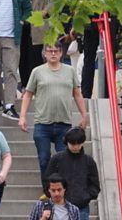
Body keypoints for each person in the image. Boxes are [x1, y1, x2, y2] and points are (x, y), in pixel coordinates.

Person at [18, 40, 88, 179]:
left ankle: (62, 189)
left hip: (64, 122)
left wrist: (84, 115)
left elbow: (77, 94)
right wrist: (22, 116)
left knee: (64, 160)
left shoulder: (70, 71)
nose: (53, 54)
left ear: (61, 53)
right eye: (50, 51)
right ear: (45, 54)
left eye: (56, 50)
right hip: (43, 123)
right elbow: (28, 94)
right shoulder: (37, 71)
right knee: (44, 159)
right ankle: (47, 189)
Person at [43, 126, 99, 220]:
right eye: (72, 143)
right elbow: (47, 179)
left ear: (83, 143)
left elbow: (95, 185)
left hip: (81, 206)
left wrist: (86, 195)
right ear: (67, 143)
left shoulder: (89, 161)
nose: (75, 147)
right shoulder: (58, 158)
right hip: (59, 205)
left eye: (78, 144)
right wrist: (52, 194)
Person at [13, 0, 49, 89]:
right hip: (20, 21)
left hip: (37, 21)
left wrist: (45, 10)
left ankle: (37, 85)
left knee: (35, 54)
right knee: (22, 55)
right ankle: (25, 86)